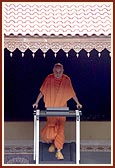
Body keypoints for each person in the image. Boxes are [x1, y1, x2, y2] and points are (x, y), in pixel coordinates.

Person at [32, 63, 82, 160]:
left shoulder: (66, 79)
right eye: (56, 72)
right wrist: (36, 102)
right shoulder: (49, 78)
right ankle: (53, 144)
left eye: (60, 72)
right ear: (53, 71)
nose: (58, 74)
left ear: (63, 71)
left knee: (60, 129)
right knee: (51, 128)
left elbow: (71, 92)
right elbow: (42, 91)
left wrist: (78, 103)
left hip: (62, 108)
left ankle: (59, 150)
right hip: (50, 108)